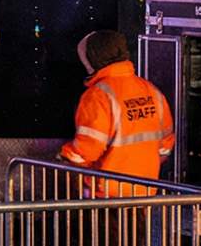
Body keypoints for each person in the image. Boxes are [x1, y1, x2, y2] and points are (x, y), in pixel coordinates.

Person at [58, 29, 174, 192]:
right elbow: (165, 147)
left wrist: (63, 158)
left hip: (106, 196)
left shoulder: (97, 96)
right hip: (145, 193)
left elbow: (87, 151)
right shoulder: (151, 91)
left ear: (93, 59)